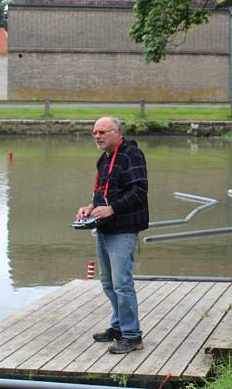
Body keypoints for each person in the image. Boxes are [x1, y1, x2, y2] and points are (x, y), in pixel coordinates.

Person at [76, 117, 150, 354]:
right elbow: (104, 194)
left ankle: (132, 335)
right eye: (94, 133)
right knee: (108, 283)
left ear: (117, 133)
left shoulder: (131, 155)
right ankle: (118, 326)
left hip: (124, 228)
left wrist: (112, 208)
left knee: (122, 283)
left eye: (102, 132)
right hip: (104, 227)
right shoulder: (104, 159)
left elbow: (139, 190)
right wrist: (90, 207)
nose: (97, 136)